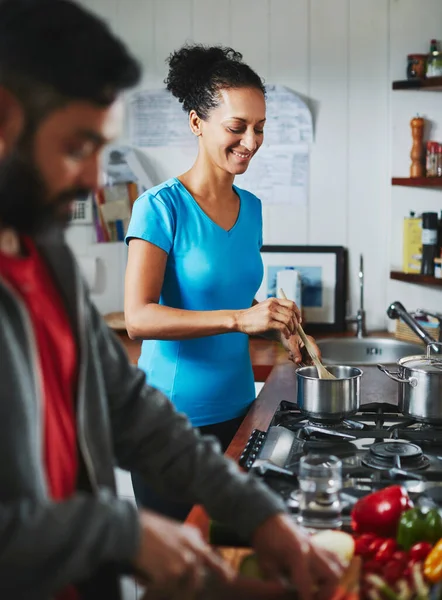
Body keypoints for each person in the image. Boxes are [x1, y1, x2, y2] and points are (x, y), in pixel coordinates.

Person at [0, 1, 342, 599]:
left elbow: (129, 408)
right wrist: (124, 532)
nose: (92, 181)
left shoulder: (44, 259)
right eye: (78, 145)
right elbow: (140, 321)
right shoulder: (160, 206)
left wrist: (262, 519)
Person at [124, 44, 320, 519]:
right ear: (196, 123)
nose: (251, 142)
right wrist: (239, 319)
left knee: (227, 559)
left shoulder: (250, 207)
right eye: (237, 128)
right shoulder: (160, 206)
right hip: (170, 423)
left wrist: (275, 320)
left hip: (238, 412)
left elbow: (230, 293)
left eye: (260, 128)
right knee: (177, 579)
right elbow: (138, 317)